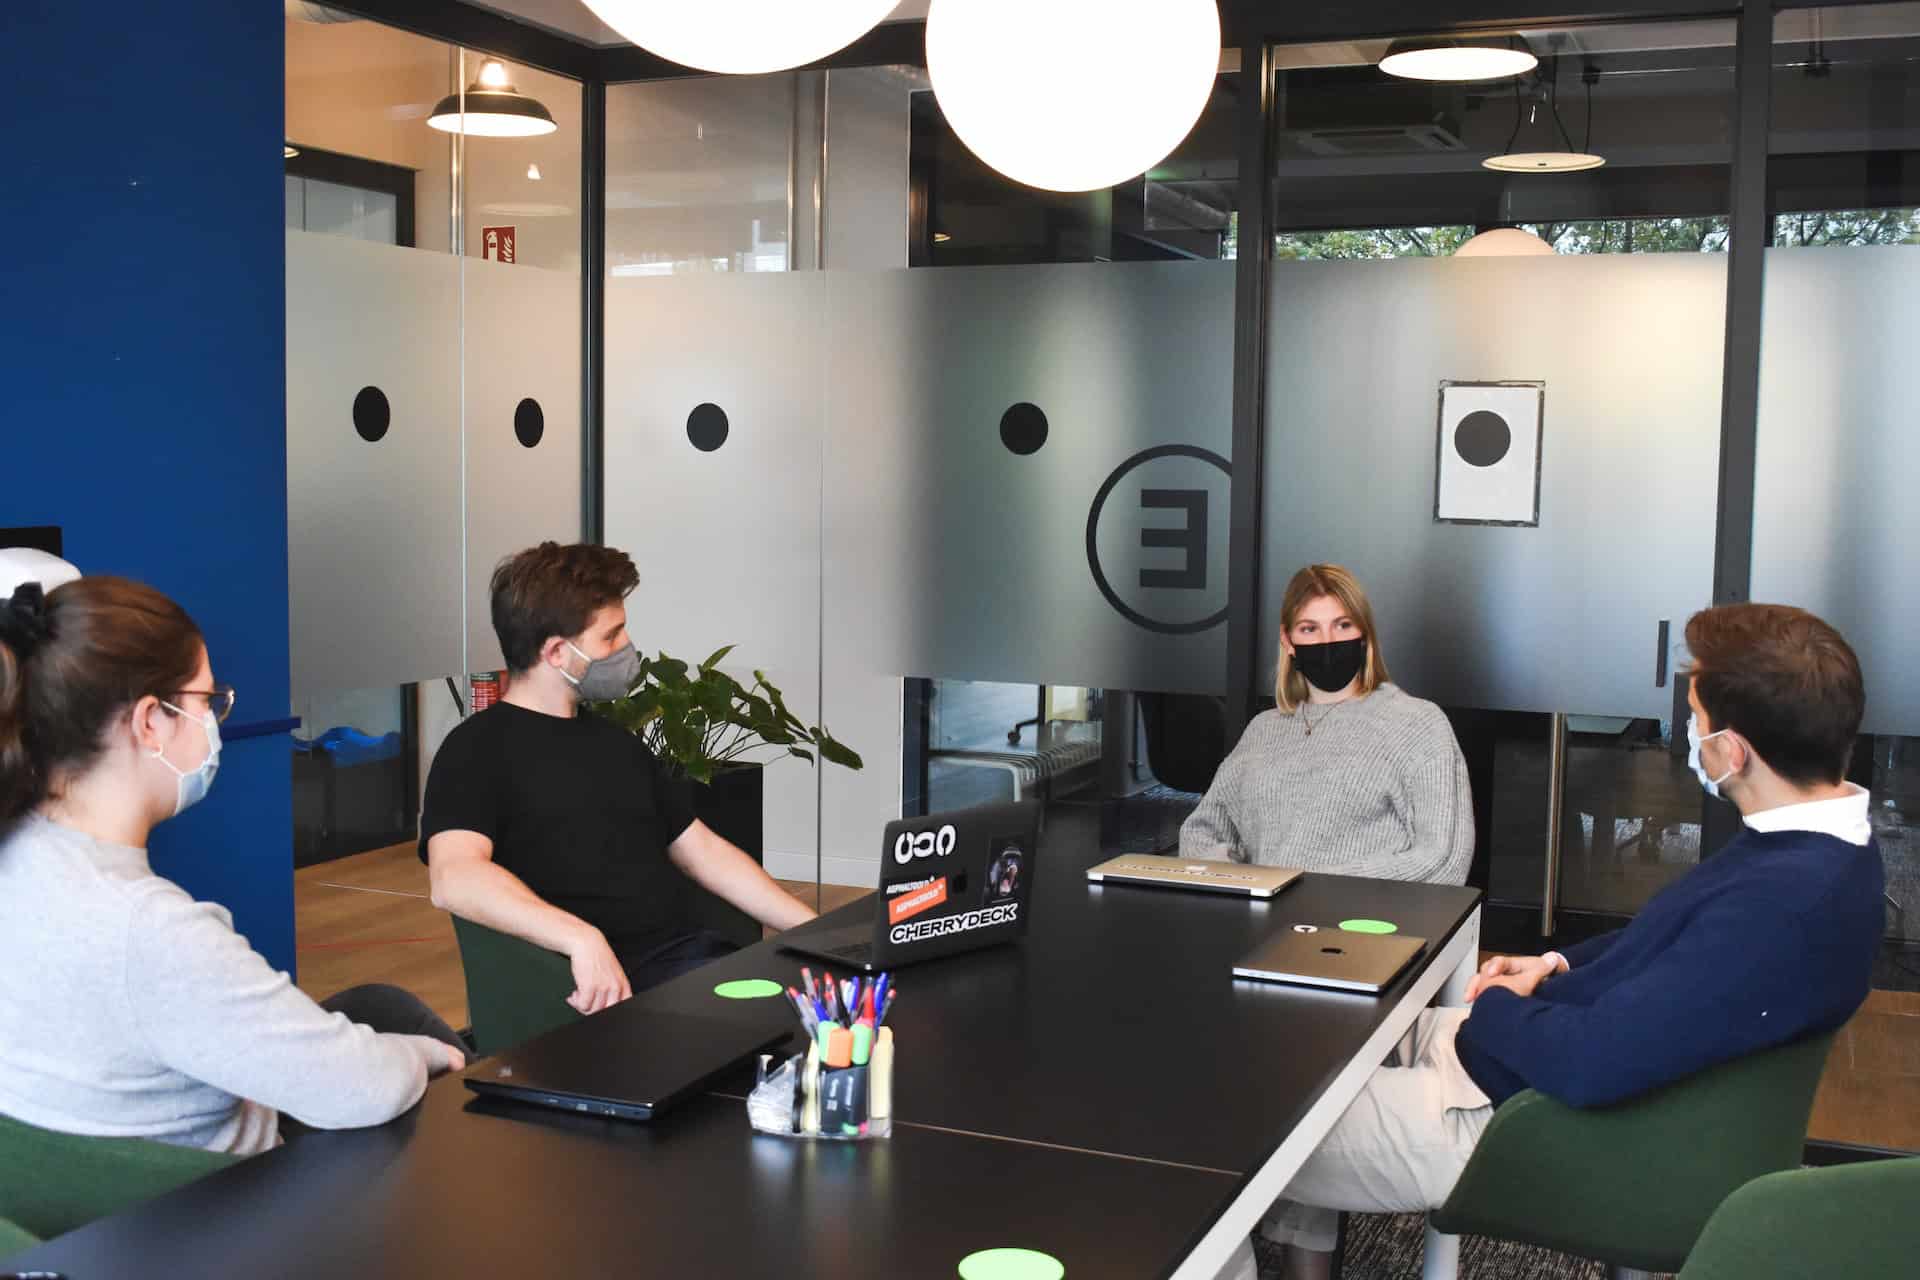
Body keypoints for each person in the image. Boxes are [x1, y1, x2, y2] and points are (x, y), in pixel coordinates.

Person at [1250, 603, 1885, 1280]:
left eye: (1695, 721)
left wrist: (1498, 1003)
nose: (1691, 739)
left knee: (1223, 1124)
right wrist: (1551, 963)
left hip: (1512, 1115)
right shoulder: (1820, 844)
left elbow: (1593, 1062)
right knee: (1300, 1036)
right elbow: (1663, 939)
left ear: (1732, 753)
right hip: (1521, 1056)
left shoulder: (1781, 906)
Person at [0, 576, 464, 1156]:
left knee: (380, 1007)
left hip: (85, 1189)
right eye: (207, 700)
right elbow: (364, 1091)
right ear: (150, 721)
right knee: (427, 1061)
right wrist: (421, 1055)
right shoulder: (152, 931)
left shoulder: (22, 855)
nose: (215, 721)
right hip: (226, 1208)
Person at [420, 541, 816, 1015]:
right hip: (604, 991)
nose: (626, 648)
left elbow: (703, 852)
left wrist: (818, 932)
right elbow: (454, 877)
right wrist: (580, 938)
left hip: (687, 962)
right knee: (794, 1025)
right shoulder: (474, 751)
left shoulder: (616, 743)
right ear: (557, 653)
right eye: (611, 637)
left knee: (828, 1008)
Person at [1180, 564, 1473, 885]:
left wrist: (1309, 886)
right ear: (1288, 641)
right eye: (1309, 629)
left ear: (1364, 634)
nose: (1328, 641)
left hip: (1362, 927)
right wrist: (1245, 884)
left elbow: (1445, 859)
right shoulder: (1264, 729)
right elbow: (1201, 831)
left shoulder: (1416, 723)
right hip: (1264, 925)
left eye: (1343, 625)